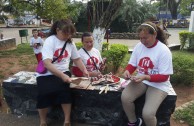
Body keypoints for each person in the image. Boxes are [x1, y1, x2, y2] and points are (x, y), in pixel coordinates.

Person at [36, 19, 89, 126]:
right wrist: (61, 75)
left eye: (70, 33)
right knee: (43, 94)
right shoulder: (50, 41)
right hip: (47, 73)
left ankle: (67, 120)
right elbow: (47, 63)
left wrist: (84, 70)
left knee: (65, 93)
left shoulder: (70, 42)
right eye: (65, 33)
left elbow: (77, 59)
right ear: (57, 30)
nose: (67, 36)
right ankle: (42, 121)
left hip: (64, 71)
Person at [121, 22, 173, 126]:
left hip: (159, 84)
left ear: (154, 34)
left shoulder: (163, 50)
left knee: (148, 114)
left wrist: (145, 76)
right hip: (142, 79)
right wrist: (127, 71)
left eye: (146, 38)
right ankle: (134, 122)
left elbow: (164, 76)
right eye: (140, 38)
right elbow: (132, 64)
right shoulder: (139, 46)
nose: (142, 41)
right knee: (125, 98)